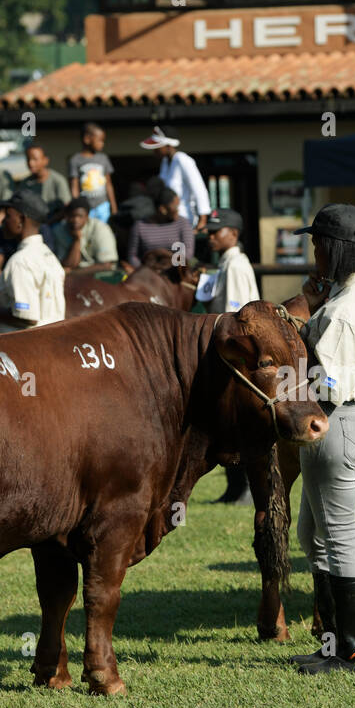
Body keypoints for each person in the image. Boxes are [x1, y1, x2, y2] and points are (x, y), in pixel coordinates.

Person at [287, 203, 355, 674]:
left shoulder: (347, 311)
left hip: (342, 423)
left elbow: (327, 386)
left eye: (316, 242)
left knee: (339, 537)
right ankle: (333, 642)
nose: (312, 249)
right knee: (314, 533)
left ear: (332, 247)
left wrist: (280, 383)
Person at [201, 207, 261, 506]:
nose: (211, 236)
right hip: (228, 352)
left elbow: (237, 317)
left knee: (240, 421)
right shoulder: (225, 264)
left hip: (235, 354)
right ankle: (234, 488)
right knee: (227, 420)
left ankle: (249, 489)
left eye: (217, 231)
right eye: (210, 231)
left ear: (233, 234)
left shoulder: (235, 266)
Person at [0, 190, 65, 333]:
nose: (3, 222)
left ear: (21, 220)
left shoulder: (21, 261)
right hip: (52, 341)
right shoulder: (48, 256)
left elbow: (28, 317)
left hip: (25, 348)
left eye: (7, 216)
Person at [140, 124, 210, 232]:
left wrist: (203, 220)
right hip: (168, 220)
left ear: (169, 145)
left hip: (186, 219)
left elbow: (199, 189)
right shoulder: (165, 162)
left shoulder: (183, 160)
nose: (154, 151)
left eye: (157, 147)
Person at [125, 184, 194, 271]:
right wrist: (144, 271)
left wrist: (170, 268)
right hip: (148, 274)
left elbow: (188, 251)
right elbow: (133, 255)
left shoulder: (183, 223)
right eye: (175, 207)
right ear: (162, 209)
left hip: (175, 273)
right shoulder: (140, 226)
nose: (178, 210)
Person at [52, 199, 119, 276]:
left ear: (87, 216)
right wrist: (76, 240)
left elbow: (107, 265)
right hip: (75, 275)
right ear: (66, 216)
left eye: (80, 216)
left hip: (100, 276)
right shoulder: (59, 229)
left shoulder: (101, 228)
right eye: (72, 216)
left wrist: (72, 273)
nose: (75, 220)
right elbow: (68, 265)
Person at [69, 122, 118, 224]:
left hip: (103, 206)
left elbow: (108, 184)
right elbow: (74, 186)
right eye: (100, 140)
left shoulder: (103, 158)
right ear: (87, 139)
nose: (102, 144)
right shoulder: (75, 160)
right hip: (86, 208)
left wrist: (113, 207)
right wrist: (77, 206)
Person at [20, 145, 71, 224]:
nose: (31, 163)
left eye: (35, 159)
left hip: (55, 223)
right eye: (28, 159)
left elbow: (66, 208)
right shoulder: (26, 183)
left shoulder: (58, 181)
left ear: (45, 160)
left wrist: (47, 223)